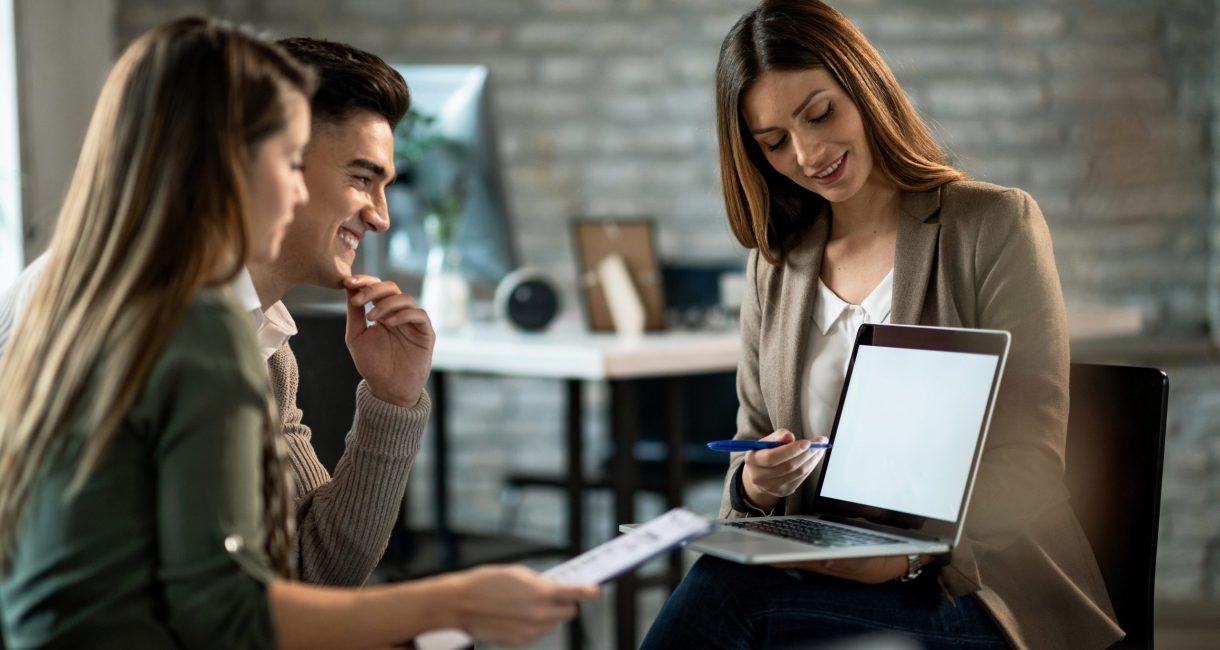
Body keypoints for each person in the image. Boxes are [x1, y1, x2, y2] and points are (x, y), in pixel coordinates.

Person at [0, 17, 595, 649]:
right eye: (290, 160)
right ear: (231, 162)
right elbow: (228, 612)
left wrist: (391, 403)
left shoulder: (243, 326)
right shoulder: (188, 326)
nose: (382, 219)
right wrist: (450, 601)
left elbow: (306, 571)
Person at [641, 2, 1121, 649]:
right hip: (830, 573)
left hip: (979, 587)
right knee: (727, 580)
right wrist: (756, 483)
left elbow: (1030, 462)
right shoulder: (775, 266)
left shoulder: (992, 225)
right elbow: (751, 445)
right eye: (775, 142)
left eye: (820, 114)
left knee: (727, 599)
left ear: (865, 88)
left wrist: (908, 556)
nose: (809, 153)